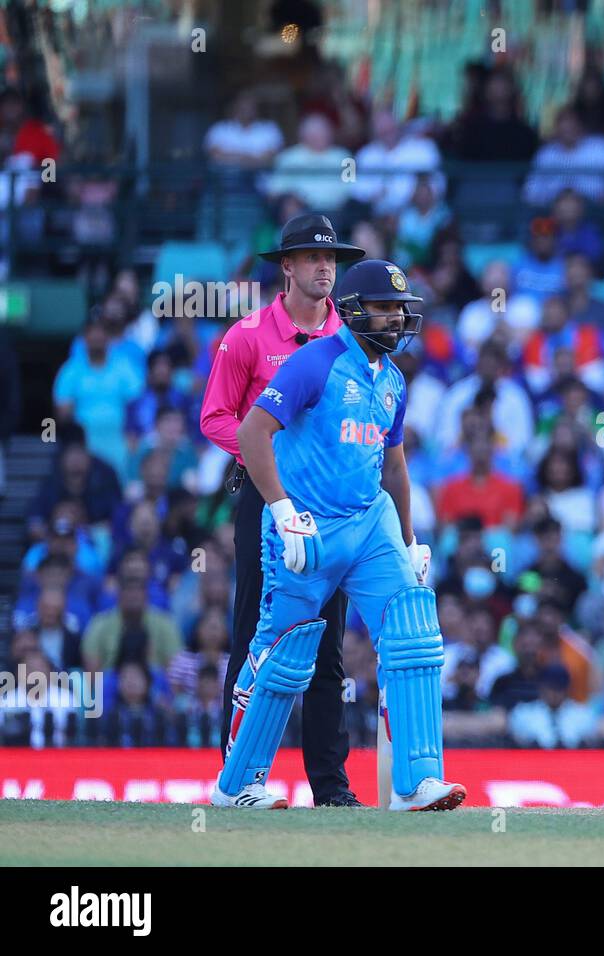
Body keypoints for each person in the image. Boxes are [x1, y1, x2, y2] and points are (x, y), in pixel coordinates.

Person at [211, 258, 463, 812]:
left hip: (369, 525)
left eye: (401, 309)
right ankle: (237, 786)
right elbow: (253, 431)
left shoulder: (393, 379)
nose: (396, 319)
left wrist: (410, 539)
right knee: (283, 657)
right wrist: (280, 510)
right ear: (351, 311)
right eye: (384, 308)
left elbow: (393, 467)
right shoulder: (313, 363)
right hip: (307, 529)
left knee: (412, 632)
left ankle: (415, 783)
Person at [199, 213, 365, 807]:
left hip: (331, 507)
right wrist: (268, 464)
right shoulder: (247, 336)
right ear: (286, 267)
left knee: (328, 644)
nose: (326, 268)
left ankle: (332, 787)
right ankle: (237, 777)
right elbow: (216, 416)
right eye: (314, 258)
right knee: (254, 635)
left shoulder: (349, 338)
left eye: (333, 260)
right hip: (268, 504)